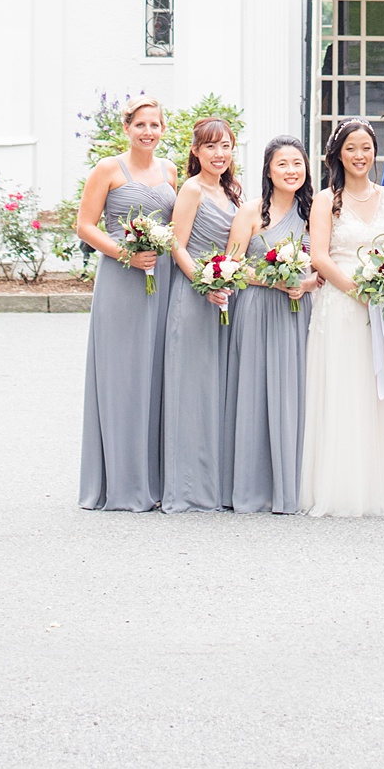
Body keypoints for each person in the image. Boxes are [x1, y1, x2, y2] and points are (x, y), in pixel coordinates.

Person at [301, 117, 384, 518]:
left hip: (381, 308)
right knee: (342, 389)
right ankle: (339, 486)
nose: (359, 155)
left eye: (366, 147)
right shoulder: (324, 200)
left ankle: (378, 484)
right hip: (340, 305)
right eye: (351, 148)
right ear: (337, 154)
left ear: (374, 151)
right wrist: (357, 292)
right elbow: (319, 256)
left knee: (377, 390)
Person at [75, 97, 177, 512]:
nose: (148, 131)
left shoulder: (169, 170)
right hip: (121, 278)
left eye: (155, 124)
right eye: (140, 125)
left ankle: (152, 478)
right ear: (127, 128)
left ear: (163, 129)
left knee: (155, 373)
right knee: (122, 376)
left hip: (163, 278)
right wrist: (125, 254)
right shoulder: (107, 169)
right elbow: (83, 225)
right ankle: (121, 482)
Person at [223, 135, 317, 514]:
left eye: (297, 163)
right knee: (256, 392)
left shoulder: (315, 211)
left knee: (296, 393)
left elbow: (323, 264)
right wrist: (271, 279)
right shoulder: (250, 211)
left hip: (299, 310)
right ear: (268, 170)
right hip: (259, 309)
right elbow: (233, 264)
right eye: (282, 164)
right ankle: (254, 485)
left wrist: (306, 282)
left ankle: (293, 485)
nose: (291, 170)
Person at [160, 114, 242, 512]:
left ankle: (217, 482)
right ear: (196, 151)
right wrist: (204, 284)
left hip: (226, 297)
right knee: (190, 388)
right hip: (194, 296)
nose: (219, 153)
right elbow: (177, 245)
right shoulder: (191, 190)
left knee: (218, 388)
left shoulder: (233, 191)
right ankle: (187, 485)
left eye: (225, 145)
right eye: (210, 146)